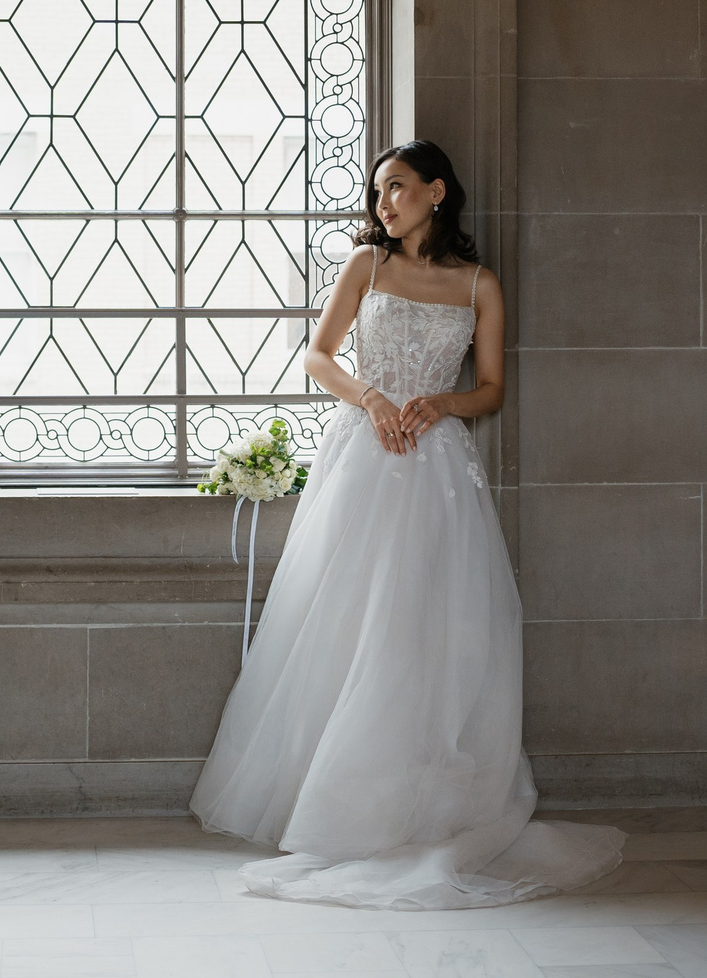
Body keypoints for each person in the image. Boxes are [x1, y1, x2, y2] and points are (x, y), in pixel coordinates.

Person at [190, 140, 626, 908]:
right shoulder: (367, 265)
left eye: (395, 188)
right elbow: (317, 357)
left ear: (437, 191)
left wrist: (439, 404)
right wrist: (376, 400)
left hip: (438, 469)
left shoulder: (478, 284)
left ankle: (421, 800)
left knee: (433, 628)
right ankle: (335, 802)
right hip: (365, 457)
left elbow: (489, 388)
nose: (382, 203)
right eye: (376, 191)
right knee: (349, 621)